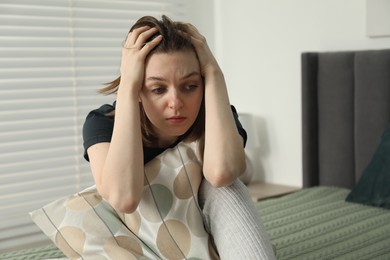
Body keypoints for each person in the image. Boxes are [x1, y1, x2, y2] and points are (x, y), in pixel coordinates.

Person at [83, 15, 275, 259]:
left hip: (204, 232)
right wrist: (128, 85)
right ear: (139, 90)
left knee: (226, 187)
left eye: (190, 86)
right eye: (158, 89)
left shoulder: (215, 114)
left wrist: (215, 73)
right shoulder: (103, 123)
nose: (175, 103)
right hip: (141, 241)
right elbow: (124, 199)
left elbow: (222, 173)